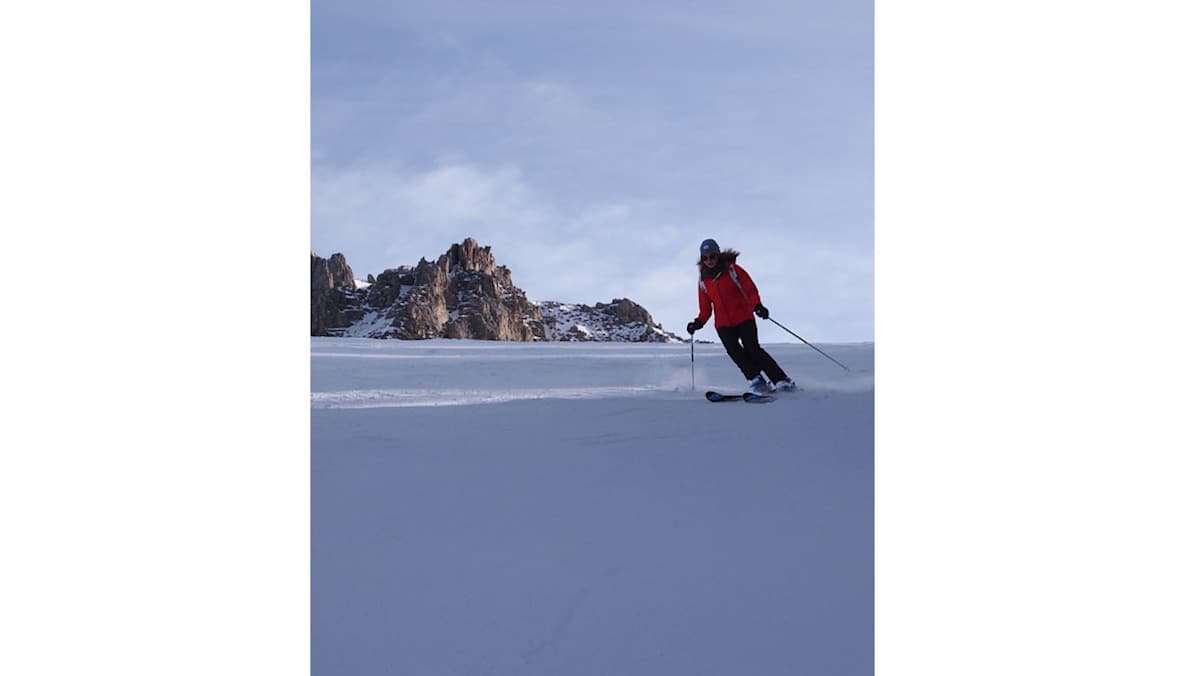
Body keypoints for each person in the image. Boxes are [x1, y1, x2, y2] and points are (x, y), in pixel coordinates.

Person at [686, 238, 797, 394]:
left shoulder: (732, 270)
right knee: (735, 352)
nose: (709, 260)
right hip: (723, 324)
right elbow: (705, 309)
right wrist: (697, 323)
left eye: (712, 256)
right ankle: (756, 380)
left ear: (718, 255)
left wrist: (757, 305)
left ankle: (781, 380)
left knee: (753, 350)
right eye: (705, 258)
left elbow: (750, 289)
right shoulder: (703, 281)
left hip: (744, 317)